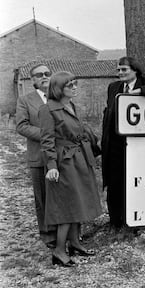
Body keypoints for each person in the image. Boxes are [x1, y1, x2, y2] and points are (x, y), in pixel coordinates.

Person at [39, 71, 102, 267]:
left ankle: (75, 243)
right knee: (66, 206)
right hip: (63, 162)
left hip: (77, 158)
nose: (75, 88)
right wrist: (51, 166)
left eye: (75, 84)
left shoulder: (70, 105)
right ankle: (59, 250)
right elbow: (47, 141)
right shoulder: (48, 109)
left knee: (77, 201)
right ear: (59, 88)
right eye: (70, 85)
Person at [101, 56, 145, 229]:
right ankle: (116, 221)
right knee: (115, 182)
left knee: (135, 181)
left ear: (135, 70)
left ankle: (137, 220)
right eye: (118, 70)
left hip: (137, 145)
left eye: (124, 70)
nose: (120, 73)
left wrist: (138, 93)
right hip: (115, 143)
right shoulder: (113, 87)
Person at [16, 64, 57, 248]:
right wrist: (47, 134)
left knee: (62, 194)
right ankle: (48, 235)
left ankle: (67, 232)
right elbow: (22, 126)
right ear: (32, 80)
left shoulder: (59, 97)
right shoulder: (25, 100)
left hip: (62, 155)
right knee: (43, 196)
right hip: (39, 155)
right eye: (39, 75)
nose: (44, 77)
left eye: (47, 73)